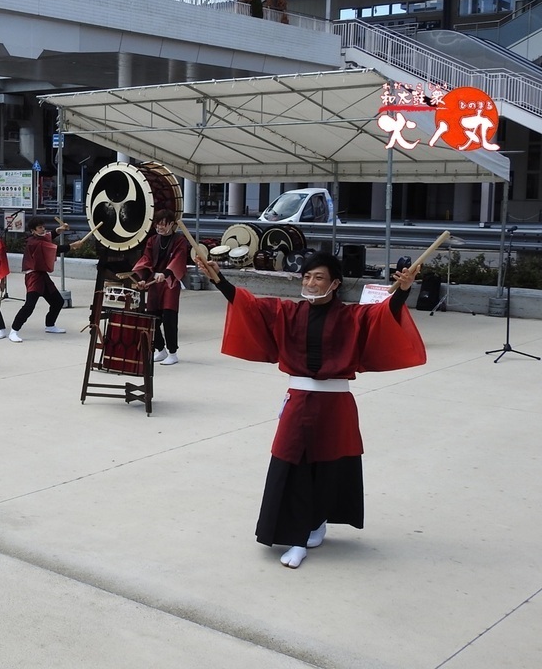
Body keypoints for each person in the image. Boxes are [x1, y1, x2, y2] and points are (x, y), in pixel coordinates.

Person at [195, 251, 426, 569]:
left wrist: (403, 290)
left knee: (329, 467)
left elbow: (384, 315)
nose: (311, 282)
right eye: (306, 276)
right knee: (293, 464)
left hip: (336, 404)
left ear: (335, 284)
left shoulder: (352, 316)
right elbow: (249, 305)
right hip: (300, 401)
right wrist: (218, 279)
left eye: (318, 277)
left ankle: (317, 523)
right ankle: (298, 537)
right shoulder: (287, 312)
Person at [8, 217, 86, 343]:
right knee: (29, 306)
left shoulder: (39, 238)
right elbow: (53, 249)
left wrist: (59, 230)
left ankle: (50, 325)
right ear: (33, 231)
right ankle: (13, 331)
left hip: (42, 276)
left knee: (58, 302)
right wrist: (72, 246)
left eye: (43, 227)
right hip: (33, 277)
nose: (43, 229)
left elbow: (49, 236)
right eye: (40, 227)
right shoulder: (34, 242)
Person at [132, 209, 190, 366]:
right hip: (154, 282)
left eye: (163, 225)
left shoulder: (180, 240)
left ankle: (173, 352)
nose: (160, 228)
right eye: (157, 225)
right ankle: (160, 349)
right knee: (152, 318)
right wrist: (144, 279)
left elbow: (179, 259)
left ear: (172, 224)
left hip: (170, 282)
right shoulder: (152, 240)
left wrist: (165, 273)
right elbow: (146, 259)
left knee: (169, 318)